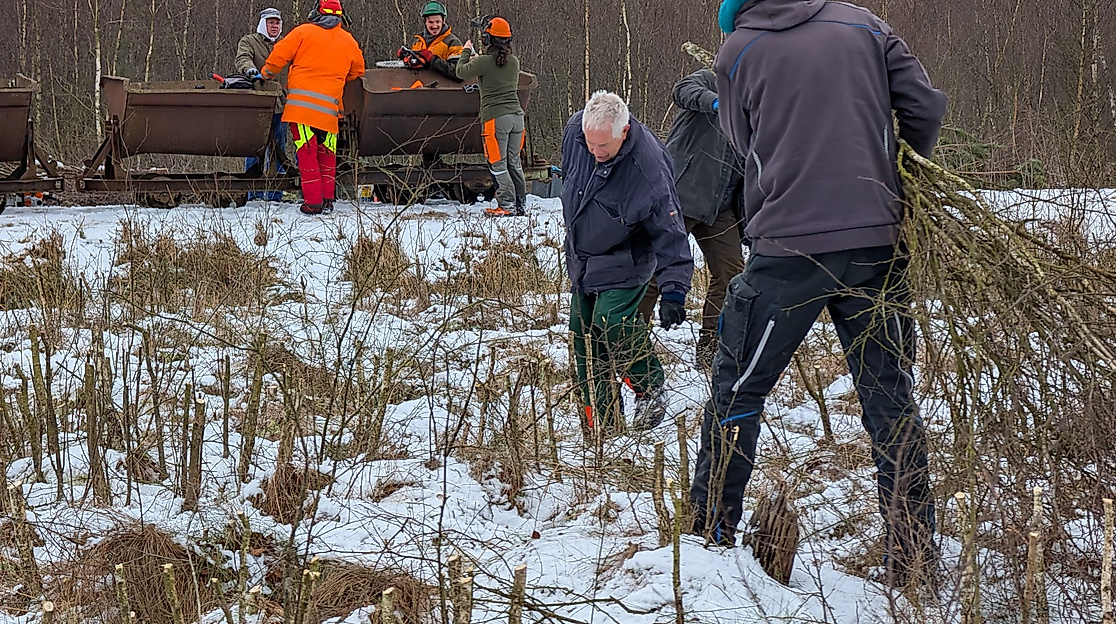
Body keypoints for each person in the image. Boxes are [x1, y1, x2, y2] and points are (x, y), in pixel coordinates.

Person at [690, 0, 948, 591]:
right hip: (874, 245)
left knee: (737, 391)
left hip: (786, 249)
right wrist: (896, 176)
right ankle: (913, 560)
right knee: (890, 400)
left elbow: (742, 141)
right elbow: (925, 109)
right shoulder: (865, 24)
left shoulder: (738, 50)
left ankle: (709, 539)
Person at [561, 90, 695, 435]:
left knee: (612, 321)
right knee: (583, 335)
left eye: (602, 146)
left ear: (624, 131)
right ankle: (604, 425)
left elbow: (670, 229)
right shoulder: (577, 132)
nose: (594, 152)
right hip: (582, 256)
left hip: (627, 256)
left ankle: (649, 385)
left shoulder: (648, 168)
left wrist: (674, 289)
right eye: (590, 144)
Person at [644, 68, 746, 368]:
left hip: (720, 208)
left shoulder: (763, 104)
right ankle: (629, 344)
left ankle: (711, 349)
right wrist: (718, 103)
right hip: (682, 196)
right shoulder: (712, 80)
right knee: (652, 272)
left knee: (731, 275)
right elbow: (682, 90)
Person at [261, 0, 365, 215]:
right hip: (330, 112)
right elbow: (358, 71)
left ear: (316, 12)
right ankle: (327, 200)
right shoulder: (348, 39)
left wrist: (265, 74)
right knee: (327, 154)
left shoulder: (303, 32)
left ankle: (313, 203)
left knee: (307, 154)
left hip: (301, 110)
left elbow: (277, 56)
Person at [456, 17, 526, 217]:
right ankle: (520, 203)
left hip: (496, 119)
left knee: (497, 164)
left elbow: (460, 71)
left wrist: (466, 51)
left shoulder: (484, 62)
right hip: (517, 118)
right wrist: (477, 59)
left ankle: (506, 205)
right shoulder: (513, 62)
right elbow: (492, 67)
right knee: (514, 163)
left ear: (488, 39)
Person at [237, 7, 288, 202]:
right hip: (257, 103)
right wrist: (249, 70)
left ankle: (276, 193)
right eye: (271, 22)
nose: (274, 26)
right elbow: (243, 58)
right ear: (263, 24)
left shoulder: (286, 44)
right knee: (255, 147)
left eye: (277, 23)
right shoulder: (250, 41)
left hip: (281, 103)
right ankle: (254, 193)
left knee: (279, 148)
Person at [403, 1, 464, 82]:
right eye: (431, 22)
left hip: (445, 89)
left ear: (443, 21)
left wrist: (433, 59)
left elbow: (459, 74)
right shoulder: (417, 43)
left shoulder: (453, 42)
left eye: (438, 22)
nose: (434, 26)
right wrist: (405, 58)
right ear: (425, 22)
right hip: (419, 88)